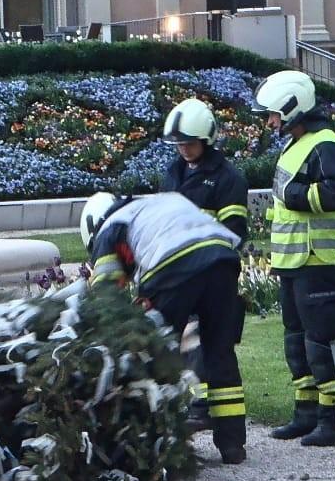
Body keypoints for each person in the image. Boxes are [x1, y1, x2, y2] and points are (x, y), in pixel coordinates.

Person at [81, 190, 247, 463]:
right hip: (223, 259)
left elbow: (106, 295)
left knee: (157, 353)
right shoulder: (156, 205)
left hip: (172, 264)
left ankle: (162, 442)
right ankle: (233, 446)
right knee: (220, 351)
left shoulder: (110, 228)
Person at [253, 70, 335, 447]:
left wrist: (297, 195)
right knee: (296, 339)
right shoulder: (296, 144)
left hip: (316, 259)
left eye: (273, 115)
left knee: (323, 338)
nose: (270, 122)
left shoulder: (325, 144)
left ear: (292, 108)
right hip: (292, 261)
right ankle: (307, 411)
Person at [158, 97, 251, 430]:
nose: (183, 149)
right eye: (179, 143)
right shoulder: (174, 173)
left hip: (214, 280)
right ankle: (187, 412)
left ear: (207, 140)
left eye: (190, 143)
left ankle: (230, 439)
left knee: (217, 354)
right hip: (177, 278)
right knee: (177, 346)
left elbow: (233, 234)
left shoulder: (227, 180)